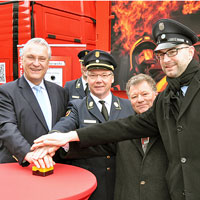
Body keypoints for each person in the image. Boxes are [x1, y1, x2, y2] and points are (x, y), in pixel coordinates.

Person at [32, 18, 200, 200]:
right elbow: (123, 128)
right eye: (161, 54)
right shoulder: (167, 96)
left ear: (190, 52)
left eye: (172, 52)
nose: (165, 60)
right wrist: (68, 136)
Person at [34, 49, 134, 200]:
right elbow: (64, 125)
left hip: (122, 182)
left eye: (104, 75)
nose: (98, 80)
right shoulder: (77, 106)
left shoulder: (128, 106)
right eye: (93, 75)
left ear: (112, 78)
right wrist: (51, 140)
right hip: (91, 183)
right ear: (87, 77)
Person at [0, 38, 68, 168]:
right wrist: (29, 154)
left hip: (54, 165)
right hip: (21, 165)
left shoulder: (60, 91)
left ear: (48, 63)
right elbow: (7, 127)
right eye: (31, 57)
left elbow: (64, 123)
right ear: (22, 60)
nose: (36, 63)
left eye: (42, 59)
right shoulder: (5, 92)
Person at [114, 73, 170, 200]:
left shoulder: (170, 126)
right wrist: (64, 145)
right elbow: (98, 145)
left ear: (156, 95)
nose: (140, 100)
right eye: (134, 96)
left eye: (145, 94)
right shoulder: (124, 128)